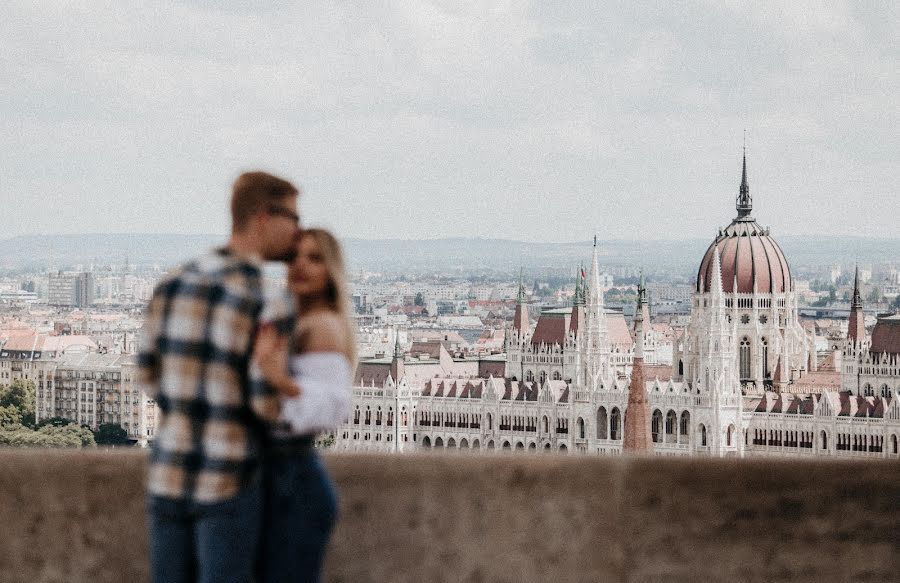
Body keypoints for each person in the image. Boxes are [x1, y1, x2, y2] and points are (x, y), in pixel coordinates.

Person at [138, 171, 302, 583]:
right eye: (293, 219)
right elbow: (266, 407)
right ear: (264, 217)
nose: (298, 232)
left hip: (169, 472)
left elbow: (148, 375)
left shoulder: (174, 283)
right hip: (229, 479)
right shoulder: (269, 301)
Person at [253, 228, 356, 583]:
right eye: (294, 257)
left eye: (314, 258)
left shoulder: (322, 324)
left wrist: (275, 378)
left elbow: (333, 406)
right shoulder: (294, 319)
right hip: (288, 481)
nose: (300, 266)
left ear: (331, 270)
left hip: (294, 483)